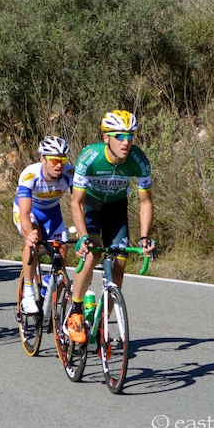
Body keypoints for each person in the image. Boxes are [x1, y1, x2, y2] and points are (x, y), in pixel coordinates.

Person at [67, 109, 155, 343]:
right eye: (119, 136)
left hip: (116, 207)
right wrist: (83, 236)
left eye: (130, 136)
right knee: (92, 254)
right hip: (91, 205)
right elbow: (76, 202)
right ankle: (75, 312)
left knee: (121, 259)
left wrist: (145, 238)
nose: (126, 142)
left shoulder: (139, 160)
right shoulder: (89, 157)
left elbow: (146, 201)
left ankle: (102, 318)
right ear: (106, 137)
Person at [14, 136, 74, 314]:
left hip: (52, 214)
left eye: (62, 160)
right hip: (28, 211)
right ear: (42, 159)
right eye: (54, 160)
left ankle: (49, 282)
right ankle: (28, 293)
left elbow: (79, 204)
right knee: (33, 238)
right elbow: (24, 213)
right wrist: (29, 232)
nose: (59, 165)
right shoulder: (30, 174)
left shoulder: (70, 174)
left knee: (62, 251)